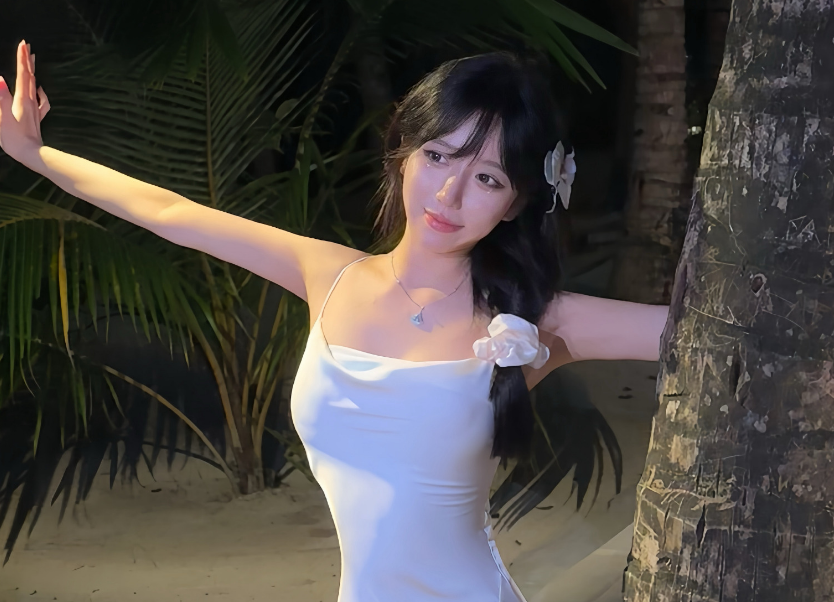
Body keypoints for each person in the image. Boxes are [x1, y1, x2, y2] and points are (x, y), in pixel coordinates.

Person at [0, 40, 669, 602]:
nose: (449, 194)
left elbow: (698, 333)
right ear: (402, 152)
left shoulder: (538, 319)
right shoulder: (328, 273)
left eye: (488, 179)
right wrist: (35, 155)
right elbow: (170, 213)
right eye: (437, 156)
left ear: (519, 202)